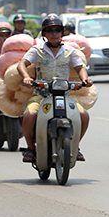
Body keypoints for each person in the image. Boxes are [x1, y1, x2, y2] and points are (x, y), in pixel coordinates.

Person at [17, 14, 93, 163]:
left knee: (84, 116)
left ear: (62, 32)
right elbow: (22, 64)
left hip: (64, 96)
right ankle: (30, 149)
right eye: (50, 30)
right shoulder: (37, 50)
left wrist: (84, 78)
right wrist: (26, 77)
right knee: (29, 116)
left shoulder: (69, 51)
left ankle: (75, 146)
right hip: (41, 95)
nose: (54, 33)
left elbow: (80, 68)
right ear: (44, 33)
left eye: (57, 30)